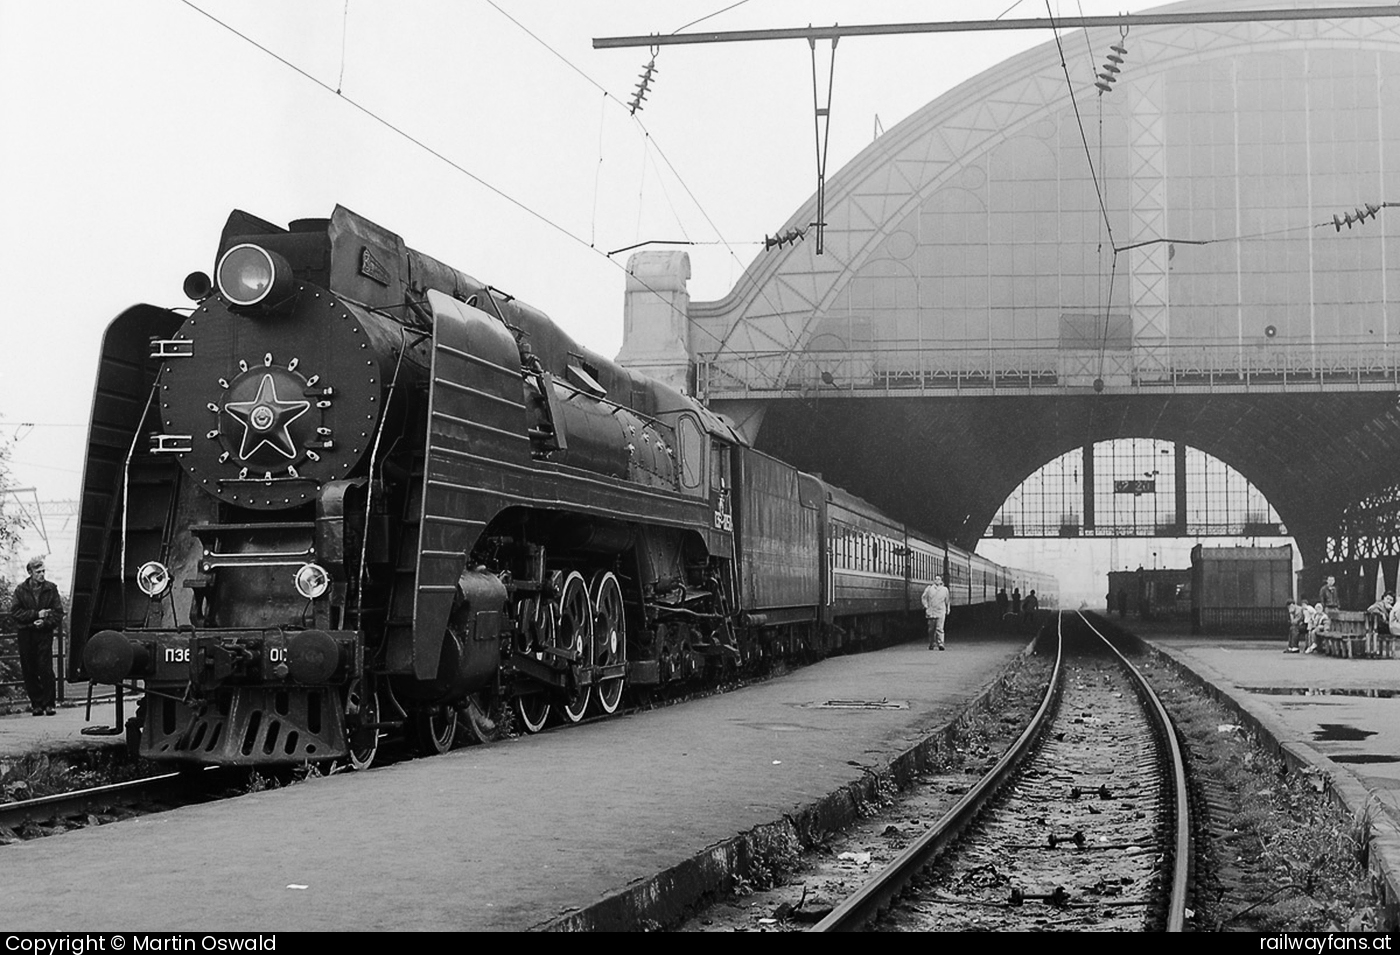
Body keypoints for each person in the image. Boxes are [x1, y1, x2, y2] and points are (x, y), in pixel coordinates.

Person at [10, 556, 64, 716]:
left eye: (43, 571)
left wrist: (45, 622)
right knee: (29, 668)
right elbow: (15, 612)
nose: (42, 574)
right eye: (38, 571)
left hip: (44, 633)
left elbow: (58, 612)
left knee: (45, 667)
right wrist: (35, 615)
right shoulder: (20, 590)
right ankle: (36, 703)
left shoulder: (51, 588)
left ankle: (49, 703)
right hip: (26, 632)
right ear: (30, 572)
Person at [921, 574, 951, 651]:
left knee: (939, 628)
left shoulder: (945, 590)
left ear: (941, 580)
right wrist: (926, 606)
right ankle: (932, 643)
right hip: (931, 611)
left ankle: (940, 644)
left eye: (938, 579)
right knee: (931, 629)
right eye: (936, 579)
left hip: (941, 611)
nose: (937, 580)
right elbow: (924, 598)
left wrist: (948, 609)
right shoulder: (929, 589)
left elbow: (947, 600)